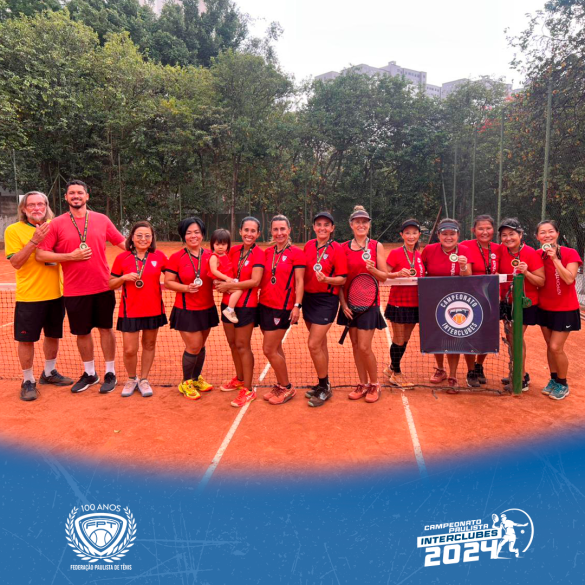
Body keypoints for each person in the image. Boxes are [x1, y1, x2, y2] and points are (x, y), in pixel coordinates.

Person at [36, 180, 125, 394]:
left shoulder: (102, 219)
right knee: (82, 333)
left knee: (106, 329)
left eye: (80, 192)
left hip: (103, 286)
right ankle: (90, 373)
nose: (76, 196)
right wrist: (70, 256)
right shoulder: (56, 224)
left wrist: (144, 255)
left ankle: (110, 372)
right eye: (72, 193)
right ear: (66, 197)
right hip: (75, 290)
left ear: (87, 196)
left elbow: (123, 243)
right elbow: (41, 254)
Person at [4, 191, 73, 401]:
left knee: (53, 336)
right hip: (29, 297)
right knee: (26, 340)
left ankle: (49, 373)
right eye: (31, 205)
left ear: (46, 206)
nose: (36, 208)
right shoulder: (13, 230)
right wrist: (34, 241)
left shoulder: (55, 226)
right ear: (24, 209)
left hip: (56, 294)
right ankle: (28, 380)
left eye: (40, 204)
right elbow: (16, 262)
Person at [109, 221, 168, 398]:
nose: (143, 239)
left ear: (152, 238)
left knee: (149, 345)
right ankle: (131, 379)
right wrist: (124, 278)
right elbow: (111, 283)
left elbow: (174, 276)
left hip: (153, 309)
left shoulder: (159, 257)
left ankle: (143, 380)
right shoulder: (122, 258)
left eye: (147, 236)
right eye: (139, 235)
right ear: (132, 238)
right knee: (129, 349)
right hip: (130, 311)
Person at [338, 205, 388, 403]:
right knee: (356, 345)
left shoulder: (376, 246)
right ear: (351, 225)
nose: (361, 225)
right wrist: (343, 304)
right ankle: (363, 383)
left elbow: (383, 276)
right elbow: (341, 280)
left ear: (369, 225)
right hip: (350, 305)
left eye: (364, 222)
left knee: (365, 347)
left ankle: (375, 384)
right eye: (357, 222)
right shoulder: (343, 248)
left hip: (369, 304)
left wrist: (373, 270)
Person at [165, 217, 218, 400]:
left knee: (200, 346)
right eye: (188, 233)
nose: (193, 236)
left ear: (202, 234)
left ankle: (196, 379)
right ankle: (186, 382)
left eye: (197, 232)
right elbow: (168, 282)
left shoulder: (211, 256)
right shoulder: (176, 257)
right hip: (186, 309)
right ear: (183, 236)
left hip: (207, 308)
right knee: (193, 346)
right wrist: (186, 288)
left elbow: (219, 276)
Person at [214, 217, 265, 408]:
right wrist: (217, 281)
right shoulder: (232, 250)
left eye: (253, 231)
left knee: (243, 345)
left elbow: (255, 281)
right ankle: (240, 378)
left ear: (258, 234)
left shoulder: (259, 254)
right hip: (227, 303)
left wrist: (229, 285)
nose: (249, 234)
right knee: (233, 343)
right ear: (240, 231)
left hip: (246, 306)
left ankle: (248, 389)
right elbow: (220, 269)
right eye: (246, 230)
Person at [259, 215, 305, 405]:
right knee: (276, 348)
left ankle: (287, 387)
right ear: (271, 231)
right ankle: (280, 384)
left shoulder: (296, 253)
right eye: (276, 229)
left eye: (282, 229)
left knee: (268, 349)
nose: (279, 233)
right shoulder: (267, 252)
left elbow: (300, 282)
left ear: (289, 230)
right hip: (264, 305)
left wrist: (297, 306)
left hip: (282, 308)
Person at [421, 218, 472, 390]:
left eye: (452, 234)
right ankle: (440, 369)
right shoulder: (429, 250)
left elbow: (468, 276)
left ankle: (453, 375)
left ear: (458, 235)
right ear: (438, 235)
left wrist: (463, 266)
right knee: (437, 335)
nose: (448, 237)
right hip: (434, 300)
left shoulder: (465, 250)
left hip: (456, 301)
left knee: (453, 337)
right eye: (444, 234)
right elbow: (421, 271)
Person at [302, 212, 348, 407]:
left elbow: (342, 279)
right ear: (314, 227)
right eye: (319, 224)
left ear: (332, 228)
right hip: (308, 299)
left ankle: (324, 387)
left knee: (313, 344)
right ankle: (324, 383)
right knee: (320, 344)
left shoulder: (337, 248)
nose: (322, 228)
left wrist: (327, 279)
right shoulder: (308, 246)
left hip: (326, 301)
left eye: (326, 225)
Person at [535, 219, 582, 401]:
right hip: (545, 307)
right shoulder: (537, 255)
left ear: (557, 234)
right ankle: (553, 379)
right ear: (537, 237)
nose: (547, 235)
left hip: (565, 308)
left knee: (556, 347)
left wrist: (555, 259)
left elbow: (569, 279)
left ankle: (563, 383)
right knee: (549, 346)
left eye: (550, 231)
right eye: (542, 232)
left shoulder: (570, 253)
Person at [497, 218, 545, 392]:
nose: (508, 238)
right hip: (507, 302)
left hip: (525, 303)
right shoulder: (501, 250)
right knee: (512, 338)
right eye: (504, 235)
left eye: (512, 234)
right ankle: (519, 373)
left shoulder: (531, 253)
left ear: (520, 234)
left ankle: (520, 377)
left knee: (515, 337)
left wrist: (526, 272)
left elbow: (541, 281)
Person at [383, 218, 425, 388]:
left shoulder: (419, 256)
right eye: (407, 233)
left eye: (414, 233)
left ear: (419, 234)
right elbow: (384, 273)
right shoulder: (395, 253)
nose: (411, 236)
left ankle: (391, 367)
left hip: (414, 303)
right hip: (398, 302)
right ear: (402, 235)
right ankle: (397, 374)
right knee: (399, 339)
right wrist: (397, 274)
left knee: (405, 339)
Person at [460, 214, 501, 387]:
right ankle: (470, 370)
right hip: (470, 299)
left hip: (491, 299)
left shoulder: (499, 248)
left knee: (486, 334)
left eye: (488, 228)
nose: (485, 232)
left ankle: (479, 366)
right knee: (470, 334)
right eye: (480, 229)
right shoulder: (465, 246)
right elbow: (466, 273)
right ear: (473, 230)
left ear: (493, 230)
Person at [207, 229, 243, 324]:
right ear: (212, 244)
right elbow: (214, 271)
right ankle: (229, 310)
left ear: (228, 245)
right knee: (239, 290)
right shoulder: (214, 257)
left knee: (239, 287)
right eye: (217, 244)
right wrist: (226, 279)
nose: (220, 247)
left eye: (223, 244)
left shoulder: (225, 254)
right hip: (222, 281)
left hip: (227, 280)